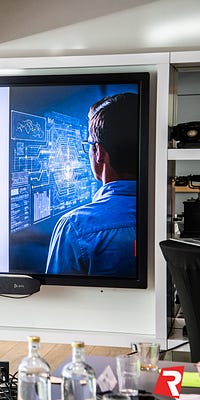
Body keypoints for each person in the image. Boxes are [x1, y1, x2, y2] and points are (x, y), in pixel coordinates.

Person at [45, 92, 138, 277]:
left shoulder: (74, 227)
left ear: (99, 153)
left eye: (89, 144)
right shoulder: (161, 214)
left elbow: (58, 293)